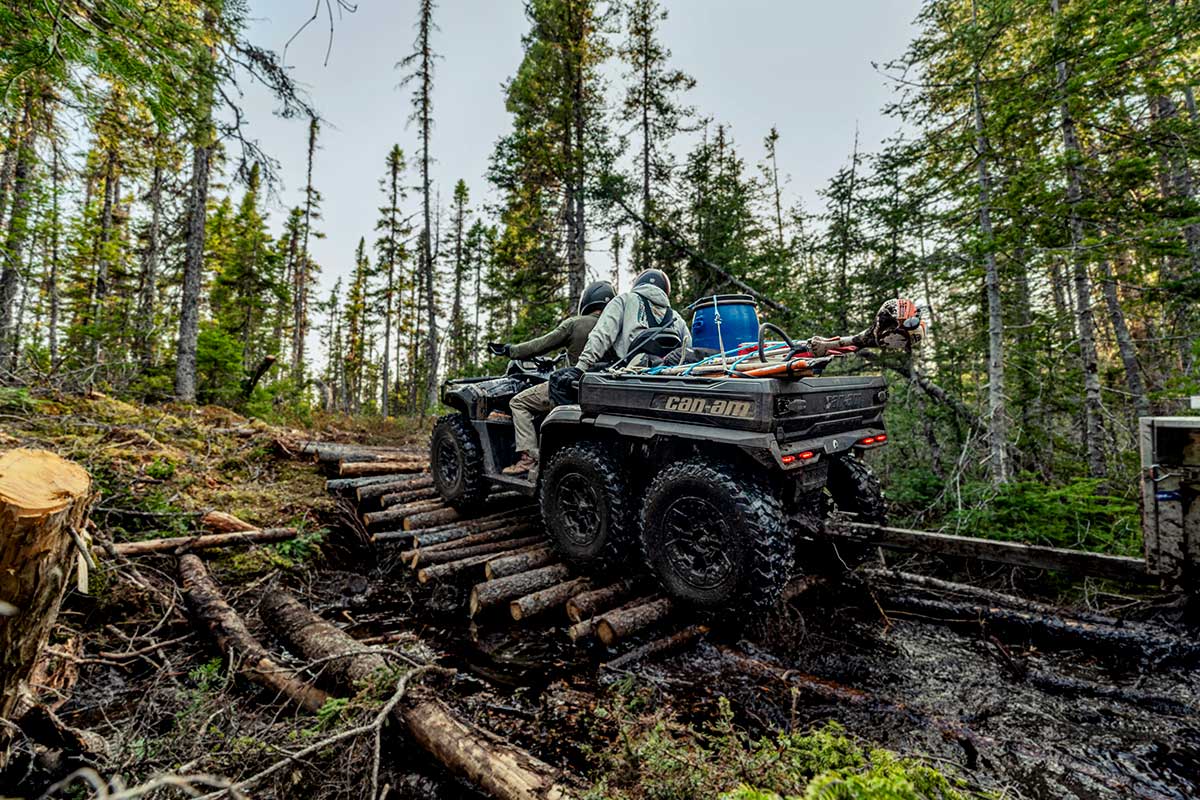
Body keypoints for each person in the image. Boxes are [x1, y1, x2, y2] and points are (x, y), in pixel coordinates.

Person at [489, 280, 615, 476]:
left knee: (518, 402)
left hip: (573, 388)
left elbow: (540, 345)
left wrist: (510, 350)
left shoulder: (576, 324)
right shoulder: (617, 327)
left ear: (588, 301)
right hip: (607, 391)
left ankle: (528, 459)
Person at [574, 268, 691, 372]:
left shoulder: (625, 300)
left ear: (638, 284)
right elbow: (689, 351)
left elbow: (602, 334)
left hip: (626, 375)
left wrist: (580, 368)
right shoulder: (676, 318)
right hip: (668, 377)